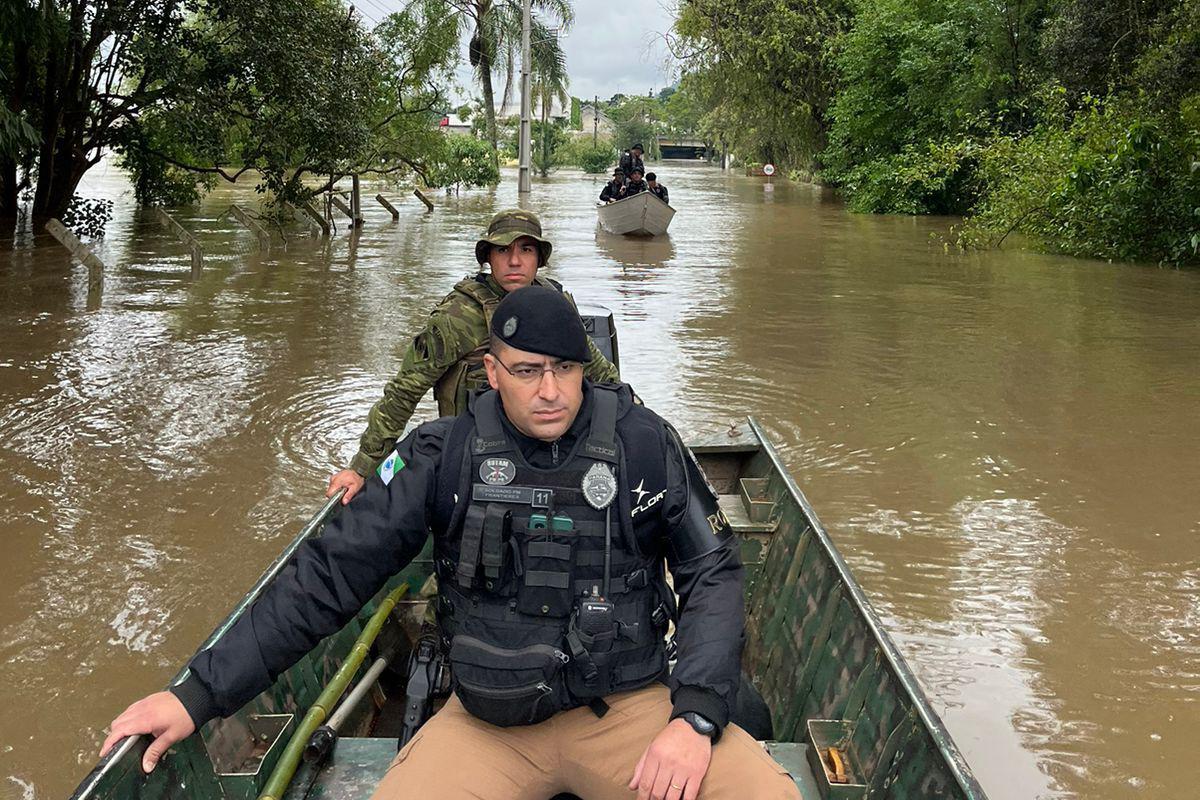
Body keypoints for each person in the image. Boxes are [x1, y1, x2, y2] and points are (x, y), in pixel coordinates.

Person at [100, 287, 801, 800]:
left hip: (627, 709)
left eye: (565, 368)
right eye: (527, 370)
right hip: (487, 719)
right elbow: (327, 576)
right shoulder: (444, 454)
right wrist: (197, 695)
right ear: (491, 372)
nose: (550, 390)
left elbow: (714, 573)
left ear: (586, 367)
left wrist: (695, 719)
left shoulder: (645, 444)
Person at [326, 209, 620, 505]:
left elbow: (600, 373)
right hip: (472, 454)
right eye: (503, 250)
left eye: (526, 250)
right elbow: (405, 390)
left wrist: (638, 423)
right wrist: (362, 467)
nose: (515, 261)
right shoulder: (458, 317)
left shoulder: (557, 305)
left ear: (539, 259)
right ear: (488, 258)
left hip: (548, 452)